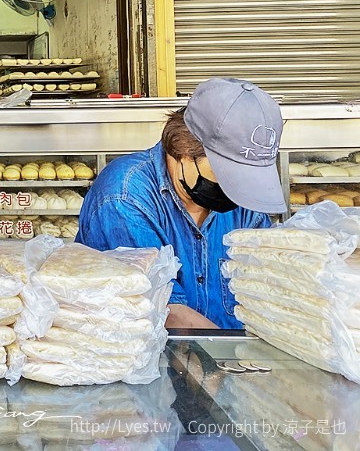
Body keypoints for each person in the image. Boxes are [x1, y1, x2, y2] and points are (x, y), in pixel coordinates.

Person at [76, 78, 284, 330]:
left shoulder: (247, 203)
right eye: (229, 175)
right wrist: (231, 354)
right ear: (184, 149)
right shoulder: (124, 196)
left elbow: (269, 287)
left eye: (249, 177)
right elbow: (161, 307)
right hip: (149, 351)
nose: (238, 190)